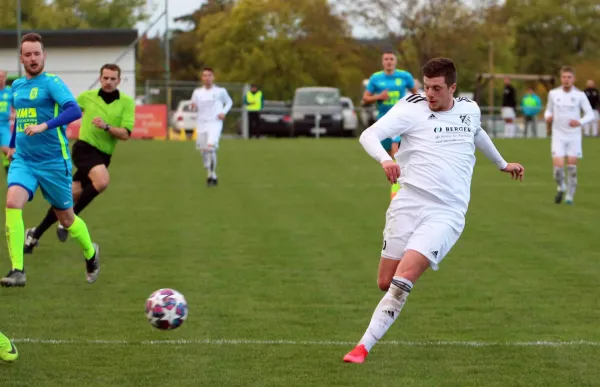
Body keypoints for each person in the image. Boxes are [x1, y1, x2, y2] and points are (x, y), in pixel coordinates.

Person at [343, 57, 524, 364]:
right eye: (426, 87)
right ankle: (397, 287)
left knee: (402, 281)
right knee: (385, 282)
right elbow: (368, 134)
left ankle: (362, 347)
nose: (430, 94)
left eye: (437, 88)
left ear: (452, 87)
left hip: (447, 212)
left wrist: (503, 164)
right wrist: (386, 159)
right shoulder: (410, 107)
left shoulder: (470, 109)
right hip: (408, 202)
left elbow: (477, 132)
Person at [1, 32, 99, 287]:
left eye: (37, 53)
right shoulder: (17, 87)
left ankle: (90, 252)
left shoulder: (52, 83)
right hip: (24, 160)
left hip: (54, 162)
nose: (33, 58)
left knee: (66, 218)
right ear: (21, 58)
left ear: (44, 56)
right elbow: (20, 121)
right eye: (28, 54)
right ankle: (17, 270)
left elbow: (74, 110)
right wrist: (12, 146)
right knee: (12, 202)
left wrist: (45, 125)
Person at [24, 63, 135, 252]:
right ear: (100, 79)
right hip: (84, 149)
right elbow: (66, 110)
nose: (108, 82)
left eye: (112, 79)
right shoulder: (87, 97)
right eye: (105, 78)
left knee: (68, 197)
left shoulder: (126, 102)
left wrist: (107, 126)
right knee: (102, 181)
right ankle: (69, 220)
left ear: (119, 80)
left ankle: (34, 234)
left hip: (103, 155)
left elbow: (125, 134)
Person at [362, 51, 417, 200]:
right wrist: (379, 97)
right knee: (386, 156)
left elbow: (416, 93)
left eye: (391, 59)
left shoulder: (404, 76)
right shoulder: (376, 78)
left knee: (395, 153)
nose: (389, 62)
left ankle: (398, 190)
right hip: (383, 122)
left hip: (400, 122)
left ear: (395, 61)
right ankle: (400, 184)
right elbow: (365, 98)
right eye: (386, 59)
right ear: (382, 61)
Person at [544, 66, 595, 205]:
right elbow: (548, 110)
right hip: (558, 135)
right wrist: (548, 117)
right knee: (558, 168)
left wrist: (579, 122)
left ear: (574, 79)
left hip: (574, 136)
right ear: (561, 78)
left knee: (572, 169)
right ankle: (561, 186)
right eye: (564, 77)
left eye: (569, 77)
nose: (566, 80)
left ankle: (570, 197)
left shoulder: (580, 95)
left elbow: (590, 114)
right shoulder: (553, 94)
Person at [190, 67, 233, 186]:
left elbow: (229, 102)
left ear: (213, 77)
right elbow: (193, 105)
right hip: (201, 123)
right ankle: (209, 171)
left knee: (210, 147)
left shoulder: (220, 91)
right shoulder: (197, 92)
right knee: (203, 151)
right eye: (205, 75)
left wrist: (223, 112)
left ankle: (212, 175)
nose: (207, 78)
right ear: (202, 78)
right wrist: (192, 106)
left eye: (209, 75)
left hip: (214, 123)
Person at [0, 70, 13, 173]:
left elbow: (16, 106)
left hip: (4, 125)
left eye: (2, 77)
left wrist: (14, 115)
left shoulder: (9, 92)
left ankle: (12, 167)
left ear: (5, 78)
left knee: (6, 149)